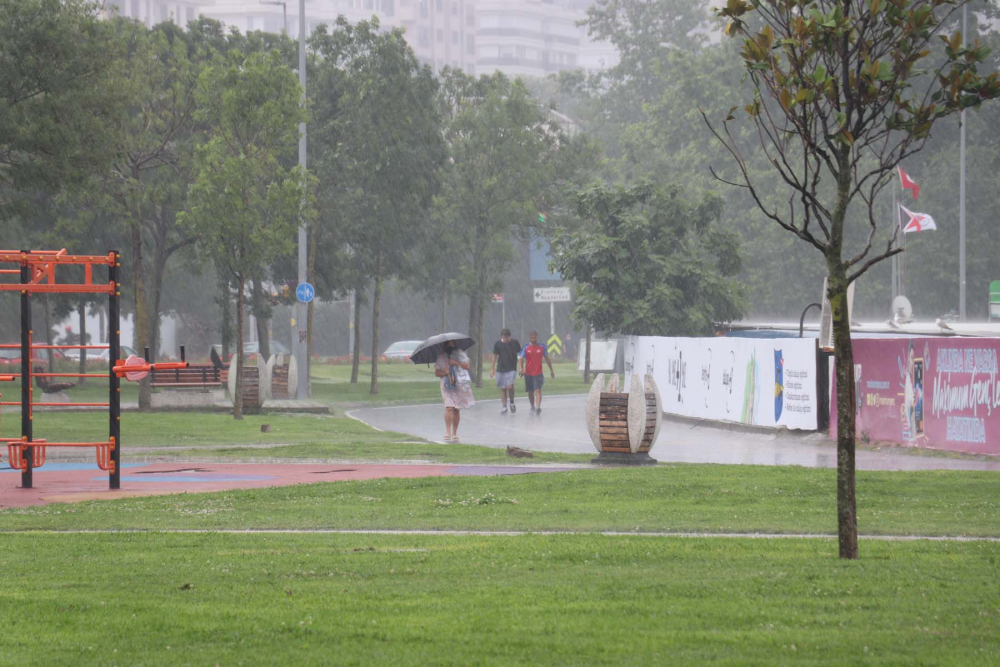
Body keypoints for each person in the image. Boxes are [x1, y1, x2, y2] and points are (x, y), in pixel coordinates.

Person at [435, 340, 474, 442]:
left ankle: (455, 433)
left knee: (456, 409)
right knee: (449, 407)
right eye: (448, 344)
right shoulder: (441, 357)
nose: (450, 346)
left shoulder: (460, 354)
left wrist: (456, 363)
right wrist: (445, 372)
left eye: (452, 344)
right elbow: (437, 372)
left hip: (459, 384)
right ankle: (447, 432)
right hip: (446, 385)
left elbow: (467, 366)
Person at [519, 330, 555, 415]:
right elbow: (521, 358)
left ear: (537, 337)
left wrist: (551, 371)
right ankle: (532, 406)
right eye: (532, 337)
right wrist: (521, 368)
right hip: (528, 373)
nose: (533, 339)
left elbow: (547, 359)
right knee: (530, 391)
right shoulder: (526, 347)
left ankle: (538, 407)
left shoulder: (542, 347)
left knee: (538, 390)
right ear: (529, 338)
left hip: (538, 373)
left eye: (535, 337)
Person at [490, 328, 521, 414]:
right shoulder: (498, 344)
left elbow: (520, 355)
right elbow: (494, 356)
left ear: (509, 336)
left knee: (510, 386)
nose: (505, 339)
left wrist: (521, 367)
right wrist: (492, 369)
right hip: (501, 368)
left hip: (511, 368)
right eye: (503, 337)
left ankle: (511, 402)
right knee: (503, 388)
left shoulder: (515, 343)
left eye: (506, 337)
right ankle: (504, 407)